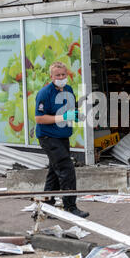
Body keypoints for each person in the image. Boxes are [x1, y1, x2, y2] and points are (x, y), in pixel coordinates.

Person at [35, 61, 89, 218]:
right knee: (66, 169)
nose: (60, 77)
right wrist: (63, 117)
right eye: (57, 75)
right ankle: (70, 207)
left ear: (67, 75)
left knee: (54, 171)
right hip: (48, 137)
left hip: (63, 136)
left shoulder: (69, 89)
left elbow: (70, 109)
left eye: (63, 74)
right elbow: (39, 118)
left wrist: (76, 115)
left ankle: (46, 207)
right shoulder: (45, 93)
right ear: (51, 77)